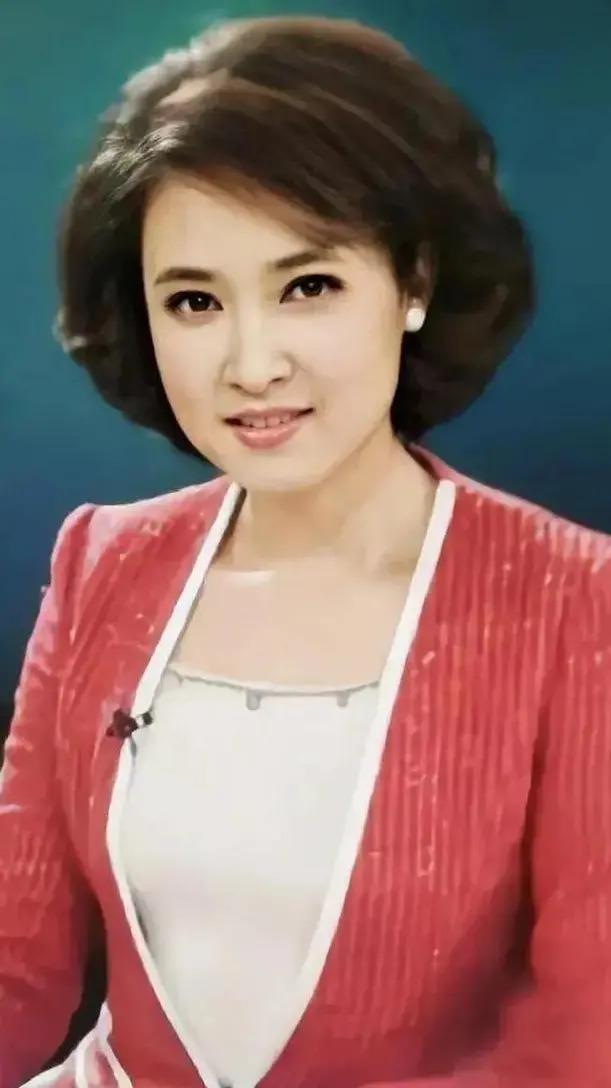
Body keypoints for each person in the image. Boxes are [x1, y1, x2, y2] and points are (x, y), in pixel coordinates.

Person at [1, 13, 609, 1088]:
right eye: (194, 301)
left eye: (307, 286)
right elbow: (17, 959)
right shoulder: (102, 561)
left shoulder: (577, 601)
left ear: (412, 281)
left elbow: (580, 1040)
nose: (250, 363)